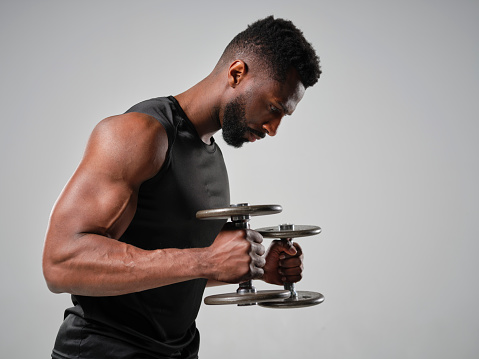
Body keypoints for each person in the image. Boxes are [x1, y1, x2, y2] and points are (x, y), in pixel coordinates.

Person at [43, 15, 321, 359]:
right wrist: (206, 260)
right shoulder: (140, 134)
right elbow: (60, 263)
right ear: (236, 74)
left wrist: (258, 266)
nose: (274, 128)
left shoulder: (212, 156)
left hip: (177, 351)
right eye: (273, 108)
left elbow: (170, 269)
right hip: (103, 350)